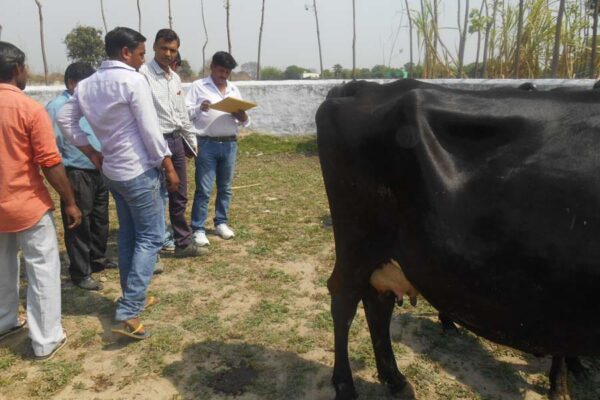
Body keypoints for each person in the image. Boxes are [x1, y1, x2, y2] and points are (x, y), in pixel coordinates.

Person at [57, 27, 179, 340]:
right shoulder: (132, 80)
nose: (143, 60)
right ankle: (129, 309)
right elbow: (150, 131)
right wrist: (168, 165)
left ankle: (131, 298)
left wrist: (90, 150)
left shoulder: (87, 84)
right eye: (140, 54)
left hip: (112, 169)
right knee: (151, 238)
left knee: (129, 236)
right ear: (125, 53)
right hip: (138, 170)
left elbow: (65, 119)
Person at [0, 41, 81, 359]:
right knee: (43, 269)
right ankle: (46, 338)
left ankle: (5, 321)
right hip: (27, 205)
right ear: (18, 69)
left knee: (2, 266)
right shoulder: (28, 109)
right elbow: (50, 162)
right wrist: (70, 200)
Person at [46, 62, 116, 291]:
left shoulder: (90, 103)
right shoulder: (58, 107)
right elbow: (53, 145)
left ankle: (97, 259)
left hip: (98, 169)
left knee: (100, 218)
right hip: (76, 172)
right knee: (78, 222)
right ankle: (80, 271)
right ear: (72, 83)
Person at [140, 29, 206, 258]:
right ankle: (154, 249)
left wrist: (191, 139)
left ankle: (183, 242)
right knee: (155, 196)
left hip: (177, 141)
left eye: (173, 50)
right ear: (154, 48)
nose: (168, 53)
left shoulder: (175, 78)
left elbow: (182, 114)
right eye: (164, 48)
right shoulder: (143, 75)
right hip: (153, 142)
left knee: (179, 195)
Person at [186, 51, 250, 246]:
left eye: (227, 72)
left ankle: (221, 222)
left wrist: (243, 118)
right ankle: (198, 228)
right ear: (212, 67)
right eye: (221, 70)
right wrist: (199, 108)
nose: (224, 75)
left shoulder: (233, 89)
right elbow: (185, 112)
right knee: (204, 189)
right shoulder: (198, 86)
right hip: (206, 143)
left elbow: (245, 120)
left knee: (225, 187)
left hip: (229, 143)